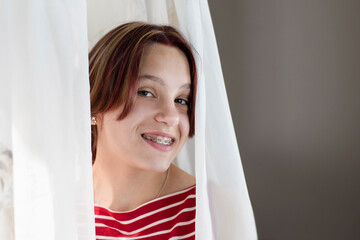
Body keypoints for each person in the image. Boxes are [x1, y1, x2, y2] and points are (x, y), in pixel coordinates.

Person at [89, 22, 198, 239]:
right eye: (146, 92)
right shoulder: (44, 211)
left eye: (181, 99)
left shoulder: (210, 211)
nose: (171, 116)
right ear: (94, 103)